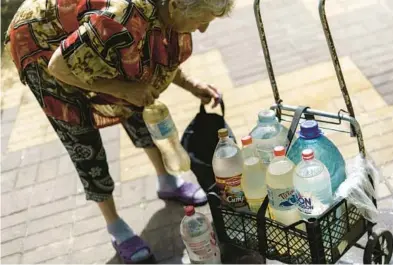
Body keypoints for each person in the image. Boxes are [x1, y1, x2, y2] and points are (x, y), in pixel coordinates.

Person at [5, 0, 235, 263]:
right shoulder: (121, 16)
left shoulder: (164, 13)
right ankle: (115, 225)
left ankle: (167, 181)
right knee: (82, 138)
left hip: (91, 39)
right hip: (44, 48)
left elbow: (155, 54)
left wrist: (193, 85)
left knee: (141, 101)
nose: (202, 30)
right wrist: (122, 89)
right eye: (202, 20)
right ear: (174, 5)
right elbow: (58, 67)